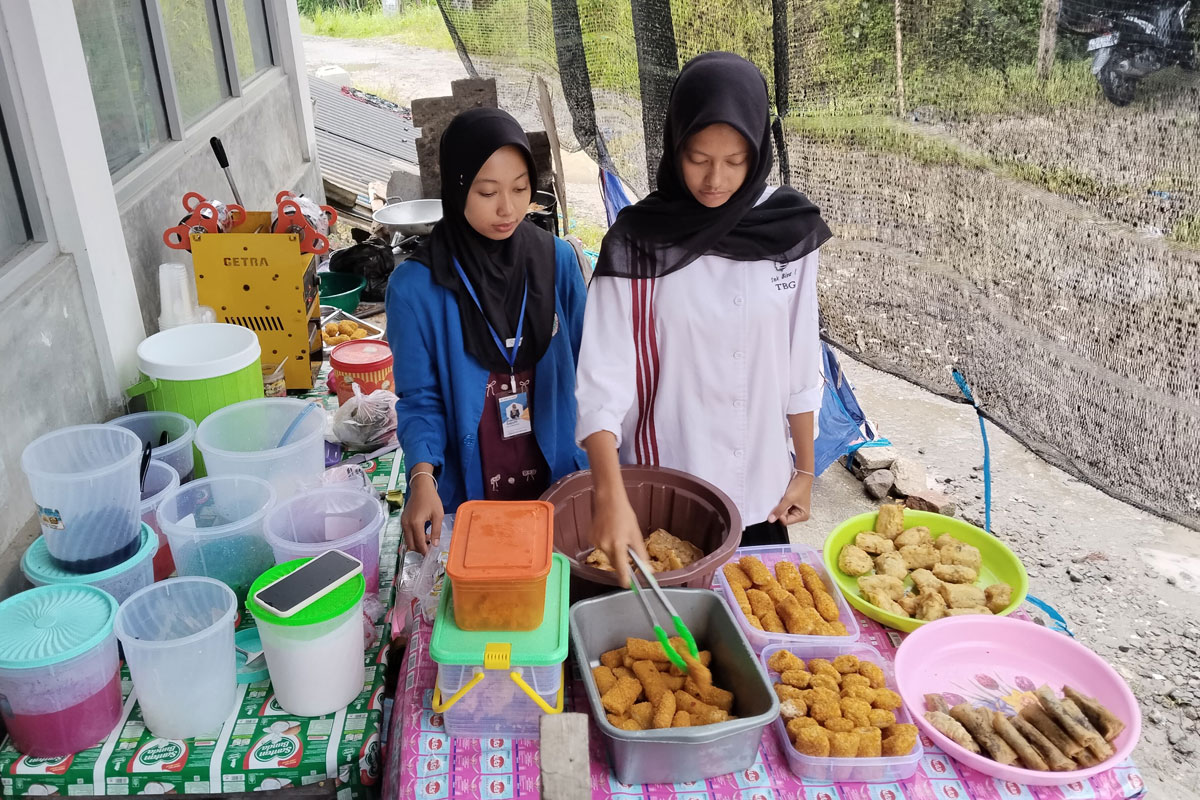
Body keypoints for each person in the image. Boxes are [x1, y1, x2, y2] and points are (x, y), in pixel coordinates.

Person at [575, 52, 832, 585]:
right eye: (697, 157)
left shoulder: (787, 230)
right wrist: (609, 493)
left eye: (736, 160)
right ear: (674, 145)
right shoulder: (637, 243)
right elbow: (601, 384)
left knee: (758, 636)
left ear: (758, 149)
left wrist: (804, 471)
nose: (716, 179)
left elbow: (800, 361)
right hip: (664, 487)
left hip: (762, 491)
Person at [387, 108, 588, 555]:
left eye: (520, 189)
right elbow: (421, 400)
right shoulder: (415, 288)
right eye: (487, 192)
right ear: (457, 188)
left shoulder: (558, 262)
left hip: (560, 484)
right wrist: (422, 478)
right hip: (473, 494)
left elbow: (593, 375)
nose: (507, 208)